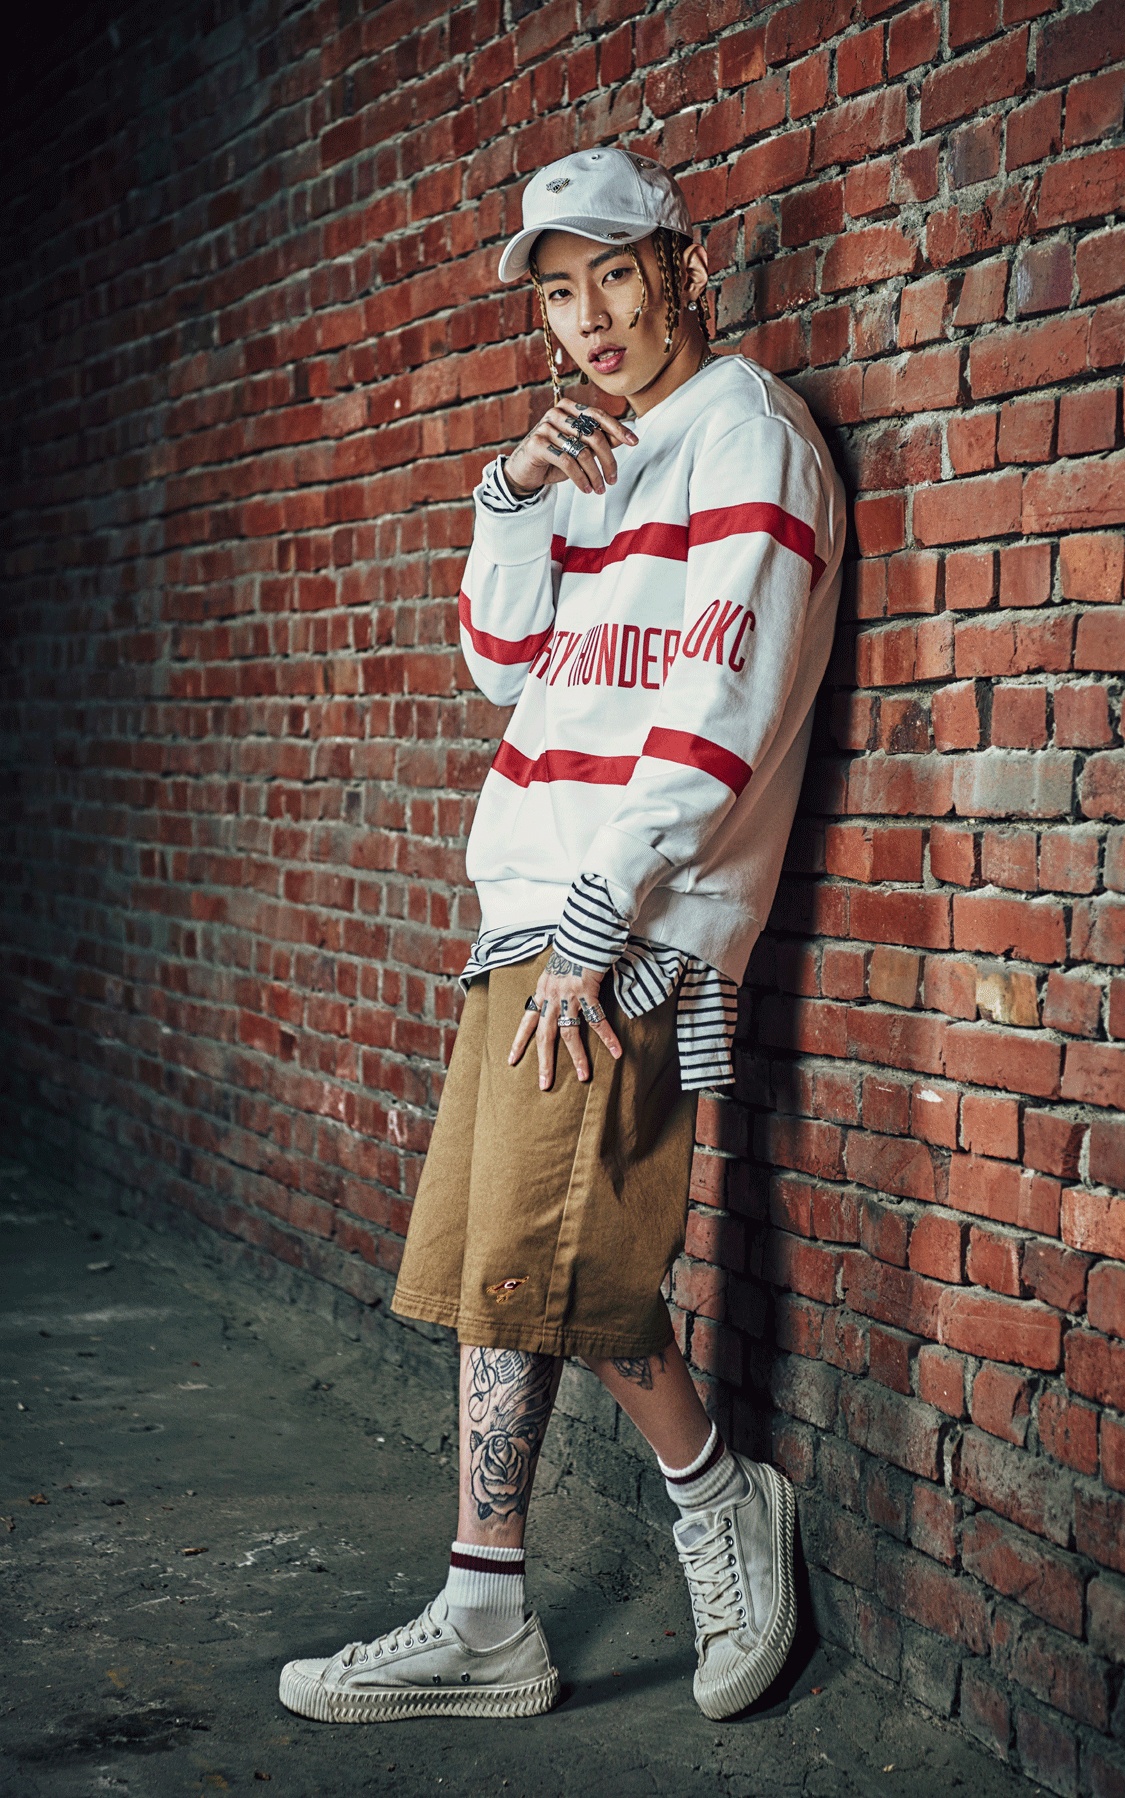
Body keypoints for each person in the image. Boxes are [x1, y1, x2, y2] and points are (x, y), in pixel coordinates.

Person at [279, 145, 846, 1727]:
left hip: (622, 915)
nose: (589, 317)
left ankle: (706, 1505)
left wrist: (608, 913)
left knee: (557, 1252)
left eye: (614, 274)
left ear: (683, 265)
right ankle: (490, 1605)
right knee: (508, 1257)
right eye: (558, 293)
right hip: (526, 901)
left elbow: (724, 702)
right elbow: (500, 659)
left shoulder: (747, 434)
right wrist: (514, 495)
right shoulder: (600, 451)